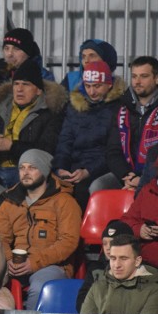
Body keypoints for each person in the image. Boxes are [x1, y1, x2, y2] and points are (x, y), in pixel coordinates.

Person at [0, 149, 82, 310]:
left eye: (32, 168)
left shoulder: (64, 201)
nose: (25, 173)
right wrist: (7, 259)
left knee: (40, 287)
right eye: (22, 168)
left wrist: (34, 262)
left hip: (52, 265)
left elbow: (68, 241)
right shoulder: (10, 201)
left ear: (45, 171)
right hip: (14, 264)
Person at [0, 58, 67, 187]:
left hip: (27, 173)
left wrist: (11, 146)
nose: (19, 89)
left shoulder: (50, 113)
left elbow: (47, 150)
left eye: (26, 84)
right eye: (16, 84)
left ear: (38, 90)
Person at [96, 56, 158, 193]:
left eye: (144, 76)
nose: (137, 82)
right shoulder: (123, 107)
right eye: (134, 76)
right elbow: (113, 150)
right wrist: (126, 176)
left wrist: (143, 178)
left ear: (157, 78)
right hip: (127, 174)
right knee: (98, 186)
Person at [54, 61, 126, 209]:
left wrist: (88, 171)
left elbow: (113, 149)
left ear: (109, 84)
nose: (92, 92)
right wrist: (61, 167)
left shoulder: (120, 108)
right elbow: (65, 140)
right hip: (74, 167)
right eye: (88, 86)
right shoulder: (75, 106)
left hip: (101, 168)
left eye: (97, 86)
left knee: (85, 190)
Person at [76, 219, 133, 311]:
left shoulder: (142, 271)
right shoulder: (95, 269)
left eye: (113, 242)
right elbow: (82, 301)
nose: (108, 247)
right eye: (104, 243)